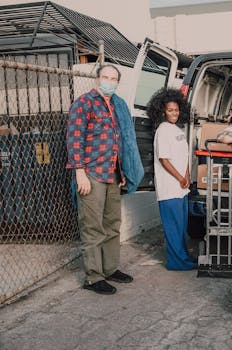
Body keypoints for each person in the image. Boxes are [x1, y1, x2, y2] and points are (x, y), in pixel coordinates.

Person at [66, 64, 144, 295]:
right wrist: (79, 172)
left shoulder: (117, 105)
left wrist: (122, 171)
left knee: (112, 225)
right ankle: (93, 277)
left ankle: (110, 269)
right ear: (97, 79)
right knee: (92, 227)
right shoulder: (84, 102)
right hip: (91, 173)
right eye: (105, 77)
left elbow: (122, 141)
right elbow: (74, 139)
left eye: (113, 78)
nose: (109, 81)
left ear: (117, 82)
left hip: (112, 173)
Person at [147, 88, 197, 271]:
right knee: (174, 227)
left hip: (181, 186)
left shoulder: (177, 129)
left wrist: (187, 175)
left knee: (182, 226)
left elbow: (184, 155)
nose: (174, 113)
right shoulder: (162, 130)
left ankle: (184, 257)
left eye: (176, 110)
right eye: (170, 110)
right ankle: (176, 262)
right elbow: (164, 159)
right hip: (170, 188)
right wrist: (179, 177)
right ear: (162, 111)